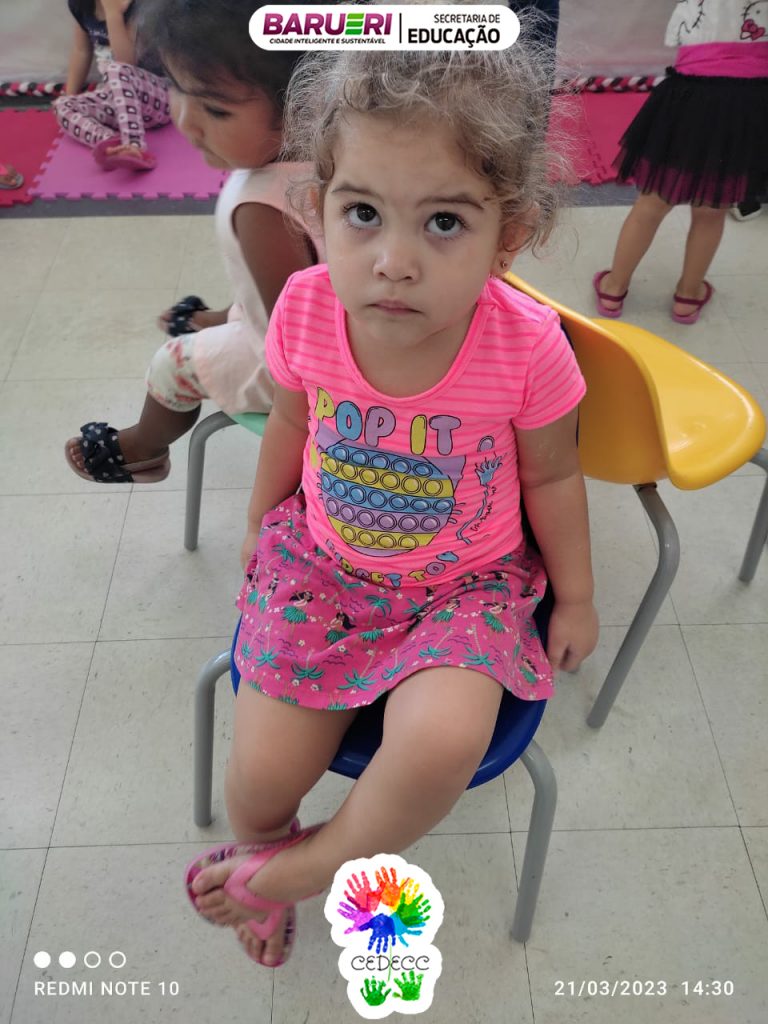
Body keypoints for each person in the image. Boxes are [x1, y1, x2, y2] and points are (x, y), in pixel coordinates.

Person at [184, 42, 599, 970]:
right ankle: (264, 852)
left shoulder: (527, 345)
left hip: (466, 589)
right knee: (257, 782)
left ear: (510, 235)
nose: (394, 263)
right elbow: (293, 419)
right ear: (318, 208)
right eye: (362, 213)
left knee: (443, 742)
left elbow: (553, 476)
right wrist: (258, 520)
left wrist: (575, 597)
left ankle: (295, 872)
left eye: (445, 221)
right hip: (321, 564)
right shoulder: (307, 307)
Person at [64, 0, 320, 484]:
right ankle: (228, 317)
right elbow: (293, 285)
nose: (185, 120)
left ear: (304, 107)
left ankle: (143, 449)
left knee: (172, 364)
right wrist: (228, 318)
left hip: (301, 381)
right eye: (176, 88)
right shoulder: (326, 159)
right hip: (295, 325)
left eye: (215, 109)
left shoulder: (261, 209)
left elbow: (296, 333)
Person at [593, 0, 768, 325]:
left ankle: (613, 288)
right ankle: (688, 296)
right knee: (712, 210)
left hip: (692, 91)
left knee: (651, 203)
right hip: (750, 100)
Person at [53, 0, 171, 171]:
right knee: (62, 105)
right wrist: (70, 95)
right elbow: (81, 51)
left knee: (116, 69)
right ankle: (112, 143)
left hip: (158, 99)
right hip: (120, 106)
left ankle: (134, 146)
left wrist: (113, 14)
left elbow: (126, 63)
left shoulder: (139, 6)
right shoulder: (82, 5)